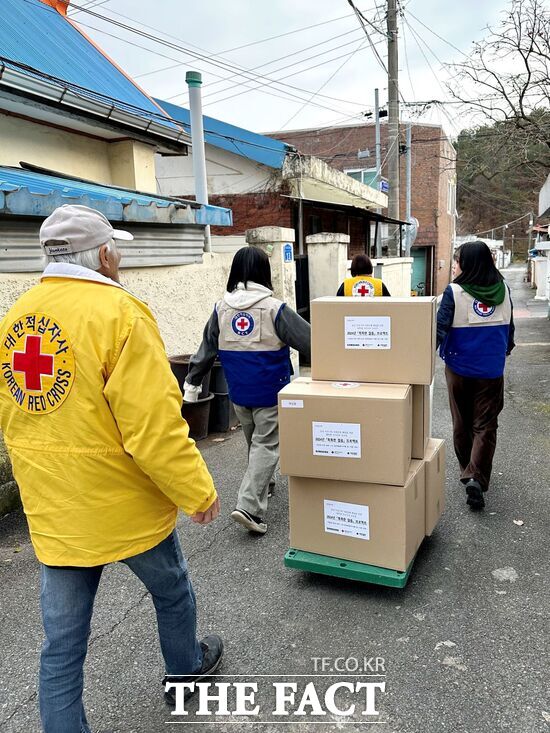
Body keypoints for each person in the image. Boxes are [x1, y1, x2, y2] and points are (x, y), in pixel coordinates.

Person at [0, 205, 223, 733]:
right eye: (116, 249)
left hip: (56, 509)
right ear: (103, 255)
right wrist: (197, 491)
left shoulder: (15, 319)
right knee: (171, 591)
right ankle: (185, 672)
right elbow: (153, 428)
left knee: (62, 644)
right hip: (123, 505)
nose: (119, 257)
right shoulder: (121, 315)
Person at [184, 246, 311, 535]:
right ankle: (249, 506)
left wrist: (192, 382)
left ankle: (265, 485)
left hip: (238, 393)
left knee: (255, 443)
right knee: (266, 445)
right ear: (263, 273)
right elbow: (310, 341)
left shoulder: (221, 309)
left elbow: (206, 349)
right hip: (270, 391)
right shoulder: (274, 308)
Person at [437, 240, 515, 510]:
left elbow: (439, 329)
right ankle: (476, 476)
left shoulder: (454, 292)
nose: (455, 266)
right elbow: (510, 329)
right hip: (491, 370)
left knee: (461, 422)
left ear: (468, 264)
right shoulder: (503, 289)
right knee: (485, 424)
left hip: (458, 369)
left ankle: (468, 470)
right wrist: (505, 350)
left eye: (458, 261)